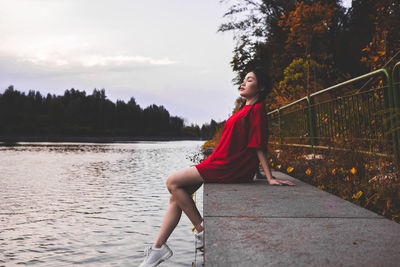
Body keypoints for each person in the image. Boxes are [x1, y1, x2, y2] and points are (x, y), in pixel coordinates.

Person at [138, 67, 295, 267]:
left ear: (261, 87)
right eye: (244, 79)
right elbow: (244, 141)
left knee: (172, 182)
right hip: (220, 162)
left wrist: (270, 177)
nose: (243, 83)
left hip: (227, 165)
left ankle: (203, 231)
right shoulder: (245, 109)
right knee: (175, 196)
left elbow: (257, 144)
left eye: (249, 80)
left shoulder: (257, 110)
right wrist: (256, 172)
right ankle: (158, 248)